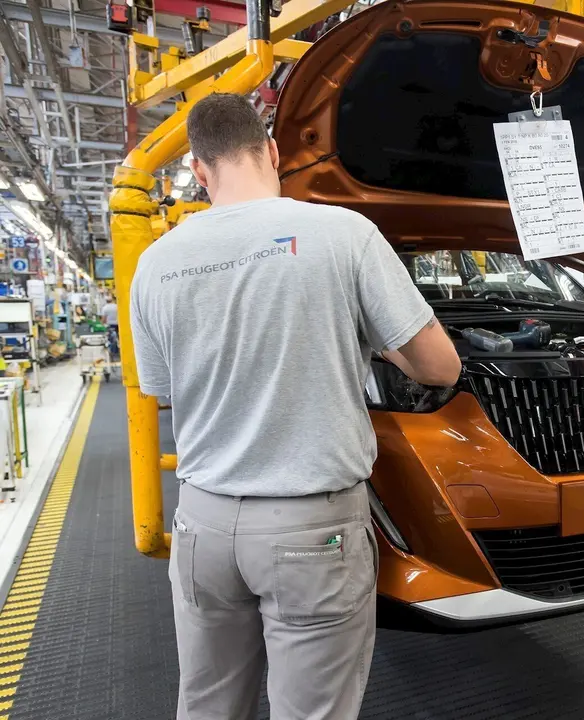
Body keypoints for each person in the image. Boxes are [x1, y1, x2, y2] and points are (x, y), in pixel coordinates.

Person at [129, 93, 461, 720]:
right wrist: (368, 340)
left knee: (206, 706)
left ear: (199, 170)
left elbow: (164, 388)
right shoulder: (344, 235)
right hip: (310, 531)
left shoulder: (154, 264)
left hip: (202, 526)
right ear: (274, 152)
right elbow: (441, 368)